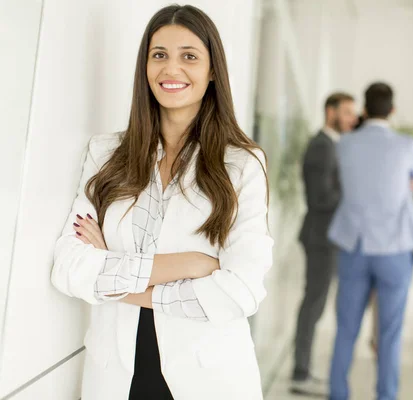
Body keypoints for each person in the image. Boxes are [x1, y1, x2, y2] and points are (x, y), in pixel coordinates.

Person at [50, 5, 272, 399]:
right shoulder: (104, 153)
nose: (171, 69)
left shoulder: (241, 164)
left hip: (209, 380)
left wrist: (114, 275)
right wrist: (189, 265)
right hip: (114, 379)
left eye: (189, 56)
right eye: (159, 55)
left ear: (212, 70)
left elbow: (241, 291)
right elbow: (69, 268)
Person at [328, 82, 413, 400]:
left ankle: (338, 394)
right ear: (392, 110)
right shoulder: (407, 145)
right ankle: (386, 395)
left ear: (365, 110)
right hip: (394, 248)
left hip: (353, 245)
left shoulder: (345, 144)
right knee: (389, 333)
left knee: (346, 329)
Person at [292, 93, 356, 395]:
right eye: (346, 112)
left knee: (315, 304)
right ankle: (300, 372)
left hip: (324, 235)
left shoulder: (331, 144)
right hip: (321, 236)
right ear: (330, 112)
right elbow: (321, 198)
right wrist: (353, 195)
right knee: (313, 304)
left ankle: (303, 369)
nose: (351, 119)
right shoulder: (322, 146)